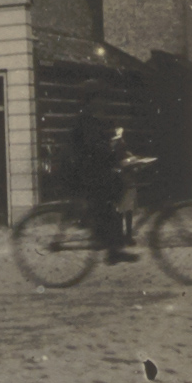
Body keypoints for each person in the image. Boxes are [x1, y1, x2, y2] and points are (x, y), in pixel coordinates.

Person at [70, 84, 138, 264]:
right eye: (99, 97)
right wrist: (112, 153)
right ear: (92, 100)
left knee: (114, 197)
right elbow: (94, 148)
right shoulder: (86, 120)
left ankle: (111, 245)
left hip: (90, 170)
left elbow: (102, 145)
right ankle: (110, 246)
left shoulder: (93, 119)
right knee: (109, 198)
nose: (103, 101)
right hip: (82, 172)